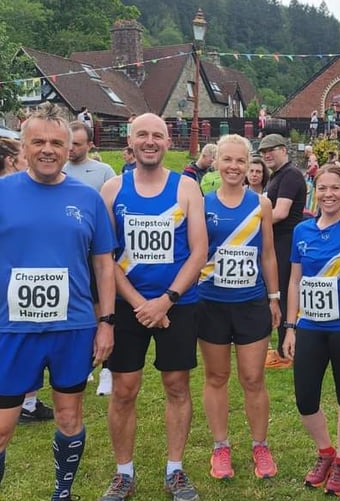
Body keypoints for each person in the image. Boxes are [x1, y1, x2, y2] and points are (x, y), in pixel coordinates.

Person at [0, 102, 116, 500]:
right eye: (38, 142)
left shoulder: (87, 199)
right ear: (23, 148)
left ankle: (61, 493)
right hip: (12, 328)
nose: (47, 149)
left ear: (70, 148)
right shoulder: (2, 192)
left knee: (69, 415)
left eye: (55, 142)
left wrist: (107, 322)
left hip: (73, 327)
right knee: (2, 424)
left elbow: (104, 265)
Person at [99, 113, 207, 501]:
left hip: (177, 303)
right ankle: (123, 473)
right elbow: (105, 256)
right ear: (130, 141)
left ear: (167, 142)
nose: (150, 141)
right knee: (124, 390)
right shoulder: (111, 190)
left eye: (157, 135)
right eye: (142, 135)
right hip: (130, 306)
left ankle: (175, 470)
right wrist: (140, 303)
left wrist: (166, 300)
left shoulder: (187, 188)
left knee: (177, 386)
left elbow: (199, 252)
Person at [197, 134, 281, 480]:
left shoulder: (261, 204)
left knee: (253, 377)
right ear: (216, 163)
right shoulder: (202, 204)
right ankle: (221, 447)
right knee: (216, 377)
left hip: (250, 303)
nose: (234, 167)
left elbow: (268, 254)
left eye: (240, 161)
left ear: (251, 166)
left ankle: (260, 445)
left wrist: (274, 298)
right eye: (227, 160)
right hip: (212, 303)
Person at [283, 165, 340, 496]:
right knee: (305, 399)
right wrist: (290, 327)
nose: (328, 194)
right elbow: (295, 281)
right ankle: (325, 452)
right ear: (314, 191)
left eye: (335, 188)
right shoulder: (302, 231)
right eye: (322, 187)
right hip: (310, 327)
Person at [0, 137, 56, 423]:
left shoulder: (69, 193)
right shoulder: (6, 192)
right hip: (10, 311)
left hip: (52, 310)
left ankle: (30, 403)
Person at [63, 121, 117, 397]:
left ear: (89, 145)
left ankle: (106, 367)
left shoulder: (103, 171)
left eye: (77, 144)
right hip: (66, 259)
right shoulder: (57, 170)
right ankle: (82, 364)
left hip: (94, 253)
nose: (70, 149)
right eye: (68, 143)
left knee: (100, 308)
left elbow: (109, 215)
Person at [258, 133, 306, 369]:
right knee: (275, 293)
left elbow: (280, 212)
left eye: (272, 149)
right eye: (263, 151)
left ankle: (285, 350)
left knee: (284, 293)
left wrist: (250, 223)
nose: (267, 154)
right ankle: (280, 347)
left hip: (286, 241)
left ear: (284, 150)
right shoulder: (276, 176)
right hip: (276, 240)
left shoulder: (290, 175)